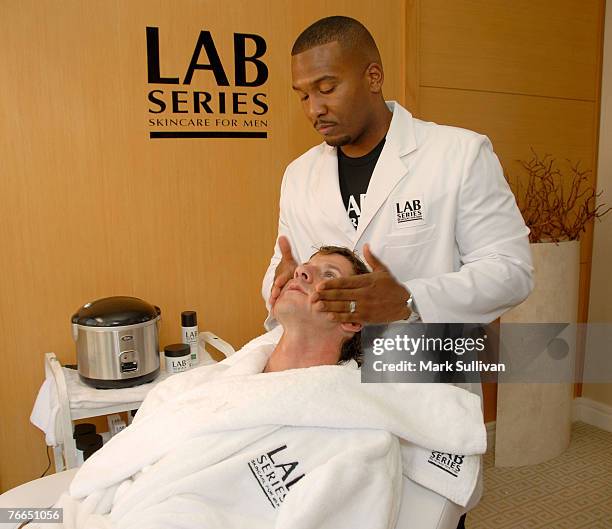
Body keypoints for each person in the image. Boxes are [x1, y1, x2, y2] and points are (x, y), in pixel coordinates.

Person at [261, 16, 534, 528]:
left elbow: (512, 271)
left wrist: (409, 300)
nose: (314, 108)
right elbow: (282, 264)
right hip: (331, 382)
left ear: (373, 76)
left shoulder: (458, 155)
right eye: (302, 95)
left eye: (327, 87)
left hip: (423, 368)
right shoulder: (299, 176)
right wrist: (277, 283)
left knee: (423, 512)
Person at [38, 247, 486, 529]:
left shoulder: (361, 439)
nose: (301, 273)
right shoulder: (204, 384)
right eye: (302, 268)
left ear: (352, 320)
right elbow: (113, 470)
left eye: (327, 274)